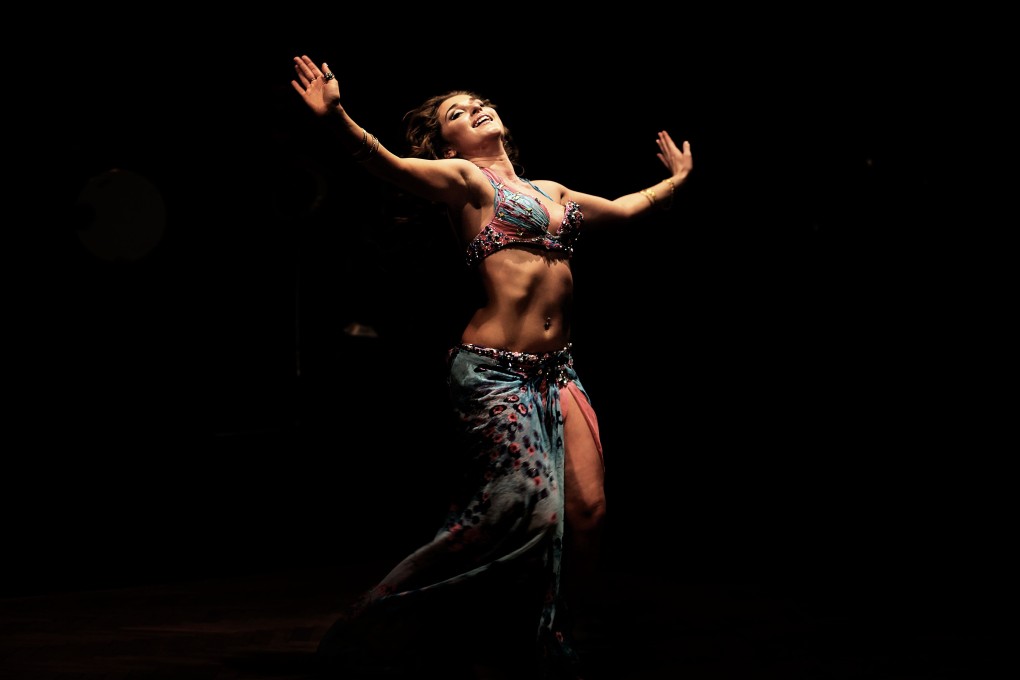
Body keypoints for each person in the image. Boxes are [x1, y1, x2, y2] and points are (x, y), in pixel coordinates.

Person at [289, 54, 693, 679]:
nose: (474, 109)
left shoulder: (551, 193)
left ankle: (554, 635)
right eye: (456, 112)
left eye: (476, 101)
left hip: (558, 372)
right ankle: (382, 623)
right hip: (492, 373)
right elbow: (389, 165)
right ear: (448, 142)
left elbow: (623, 209)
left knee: (587, 511)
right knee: (522, 506)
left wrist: (676, 181)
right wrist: (336, 116)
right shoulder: (468, 184)